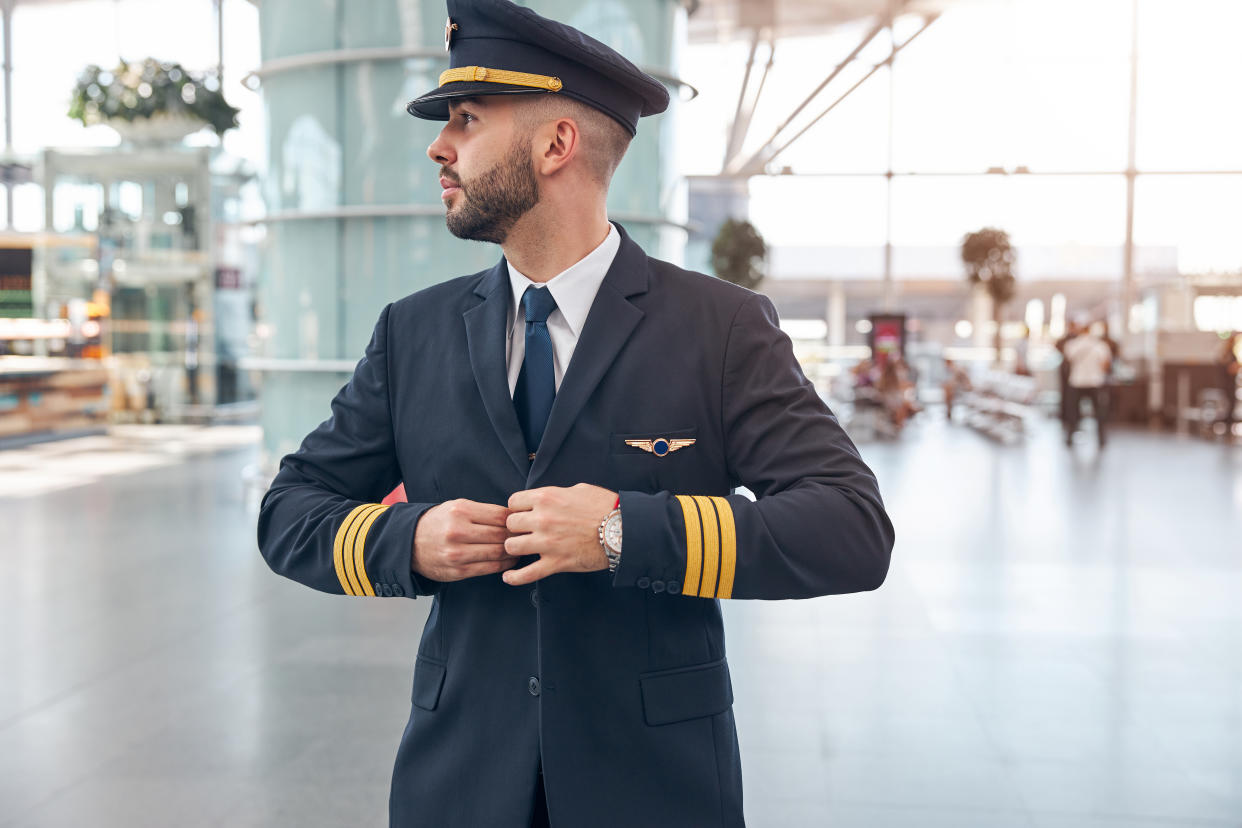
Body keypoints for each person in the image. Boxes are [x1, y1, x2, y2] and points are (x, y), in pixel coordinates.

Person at [256, 1, 895, 826]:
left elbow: (851, 528)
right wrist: (406, 540)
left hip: (655, 789)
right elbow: (287, 512)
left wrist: (621, 531)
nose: (438, 146)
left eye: (467, 120)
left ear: (556, 144)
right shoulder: (412, 333)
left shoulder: (720, 329)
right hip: (459, 783)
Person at [1063, 320, 1113, 448]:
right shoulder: (1101, 346)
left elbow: (1068, 360)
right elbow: (1105, 365)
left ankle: (1070, 437)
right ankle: (1101, 438)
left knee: (1073, 412)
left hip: (1077, 381)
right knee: (1099, 412)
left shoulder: (1072, 345)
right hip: (1095, 382)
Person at [1218, 331, 1240, 437]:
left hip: (1228, 384)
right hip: (1228, 385)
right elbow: (1230, 369)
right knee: (1230, 406)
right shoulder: (1228, 355)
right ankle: (1226, 428)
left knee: (1230, 406)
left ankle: (1227, 427)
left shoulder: (1227, 354)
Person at [942, 357, 971, 422]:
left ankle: (949, 413)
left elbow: (957, 381)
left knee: (950, 398)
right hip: (954, 389)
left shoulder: (956, 369)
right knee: (949, 399)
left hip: (959, 390)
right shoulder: (950, 369)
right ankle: (949, 414)